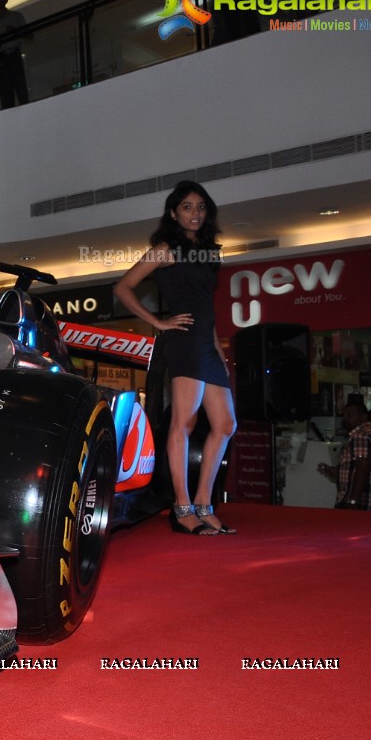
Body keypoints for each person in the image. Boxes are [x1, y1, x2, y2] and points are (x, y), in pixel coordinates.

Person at [113, 181, 236, 535]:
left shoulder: (207, 252)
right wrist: (158, 323)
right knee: (184, 423)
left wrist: (216, 347)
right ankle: (181, 509)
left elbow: (205, 304)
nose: (195, 213)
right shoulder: (165, 250)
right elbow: (122, 287)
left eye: (200, 206)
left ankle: (203, 504)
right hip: (181, 340)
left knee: (226, 425)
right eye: (187, 206)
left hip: (205, 344)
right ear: (173, 212)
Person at [317, 401, 371, 511]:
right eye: (344, 415)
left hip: (360, 501)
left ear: (363, 416)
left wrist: (353, 501)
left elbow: (362, 467)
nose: (345, 418)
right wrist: (335, 472)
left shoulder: (361, 436)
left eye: (349, 414)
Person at [0, 0, 30, 109]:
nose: (0, 1)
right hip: (2, 58)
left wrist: (15, 31)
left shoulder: (16, 16)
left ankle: (26, 110)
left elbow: (29, 34)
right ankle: (9, 115)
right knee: (6, 93)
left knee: (20, 88)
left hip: (14, 54)